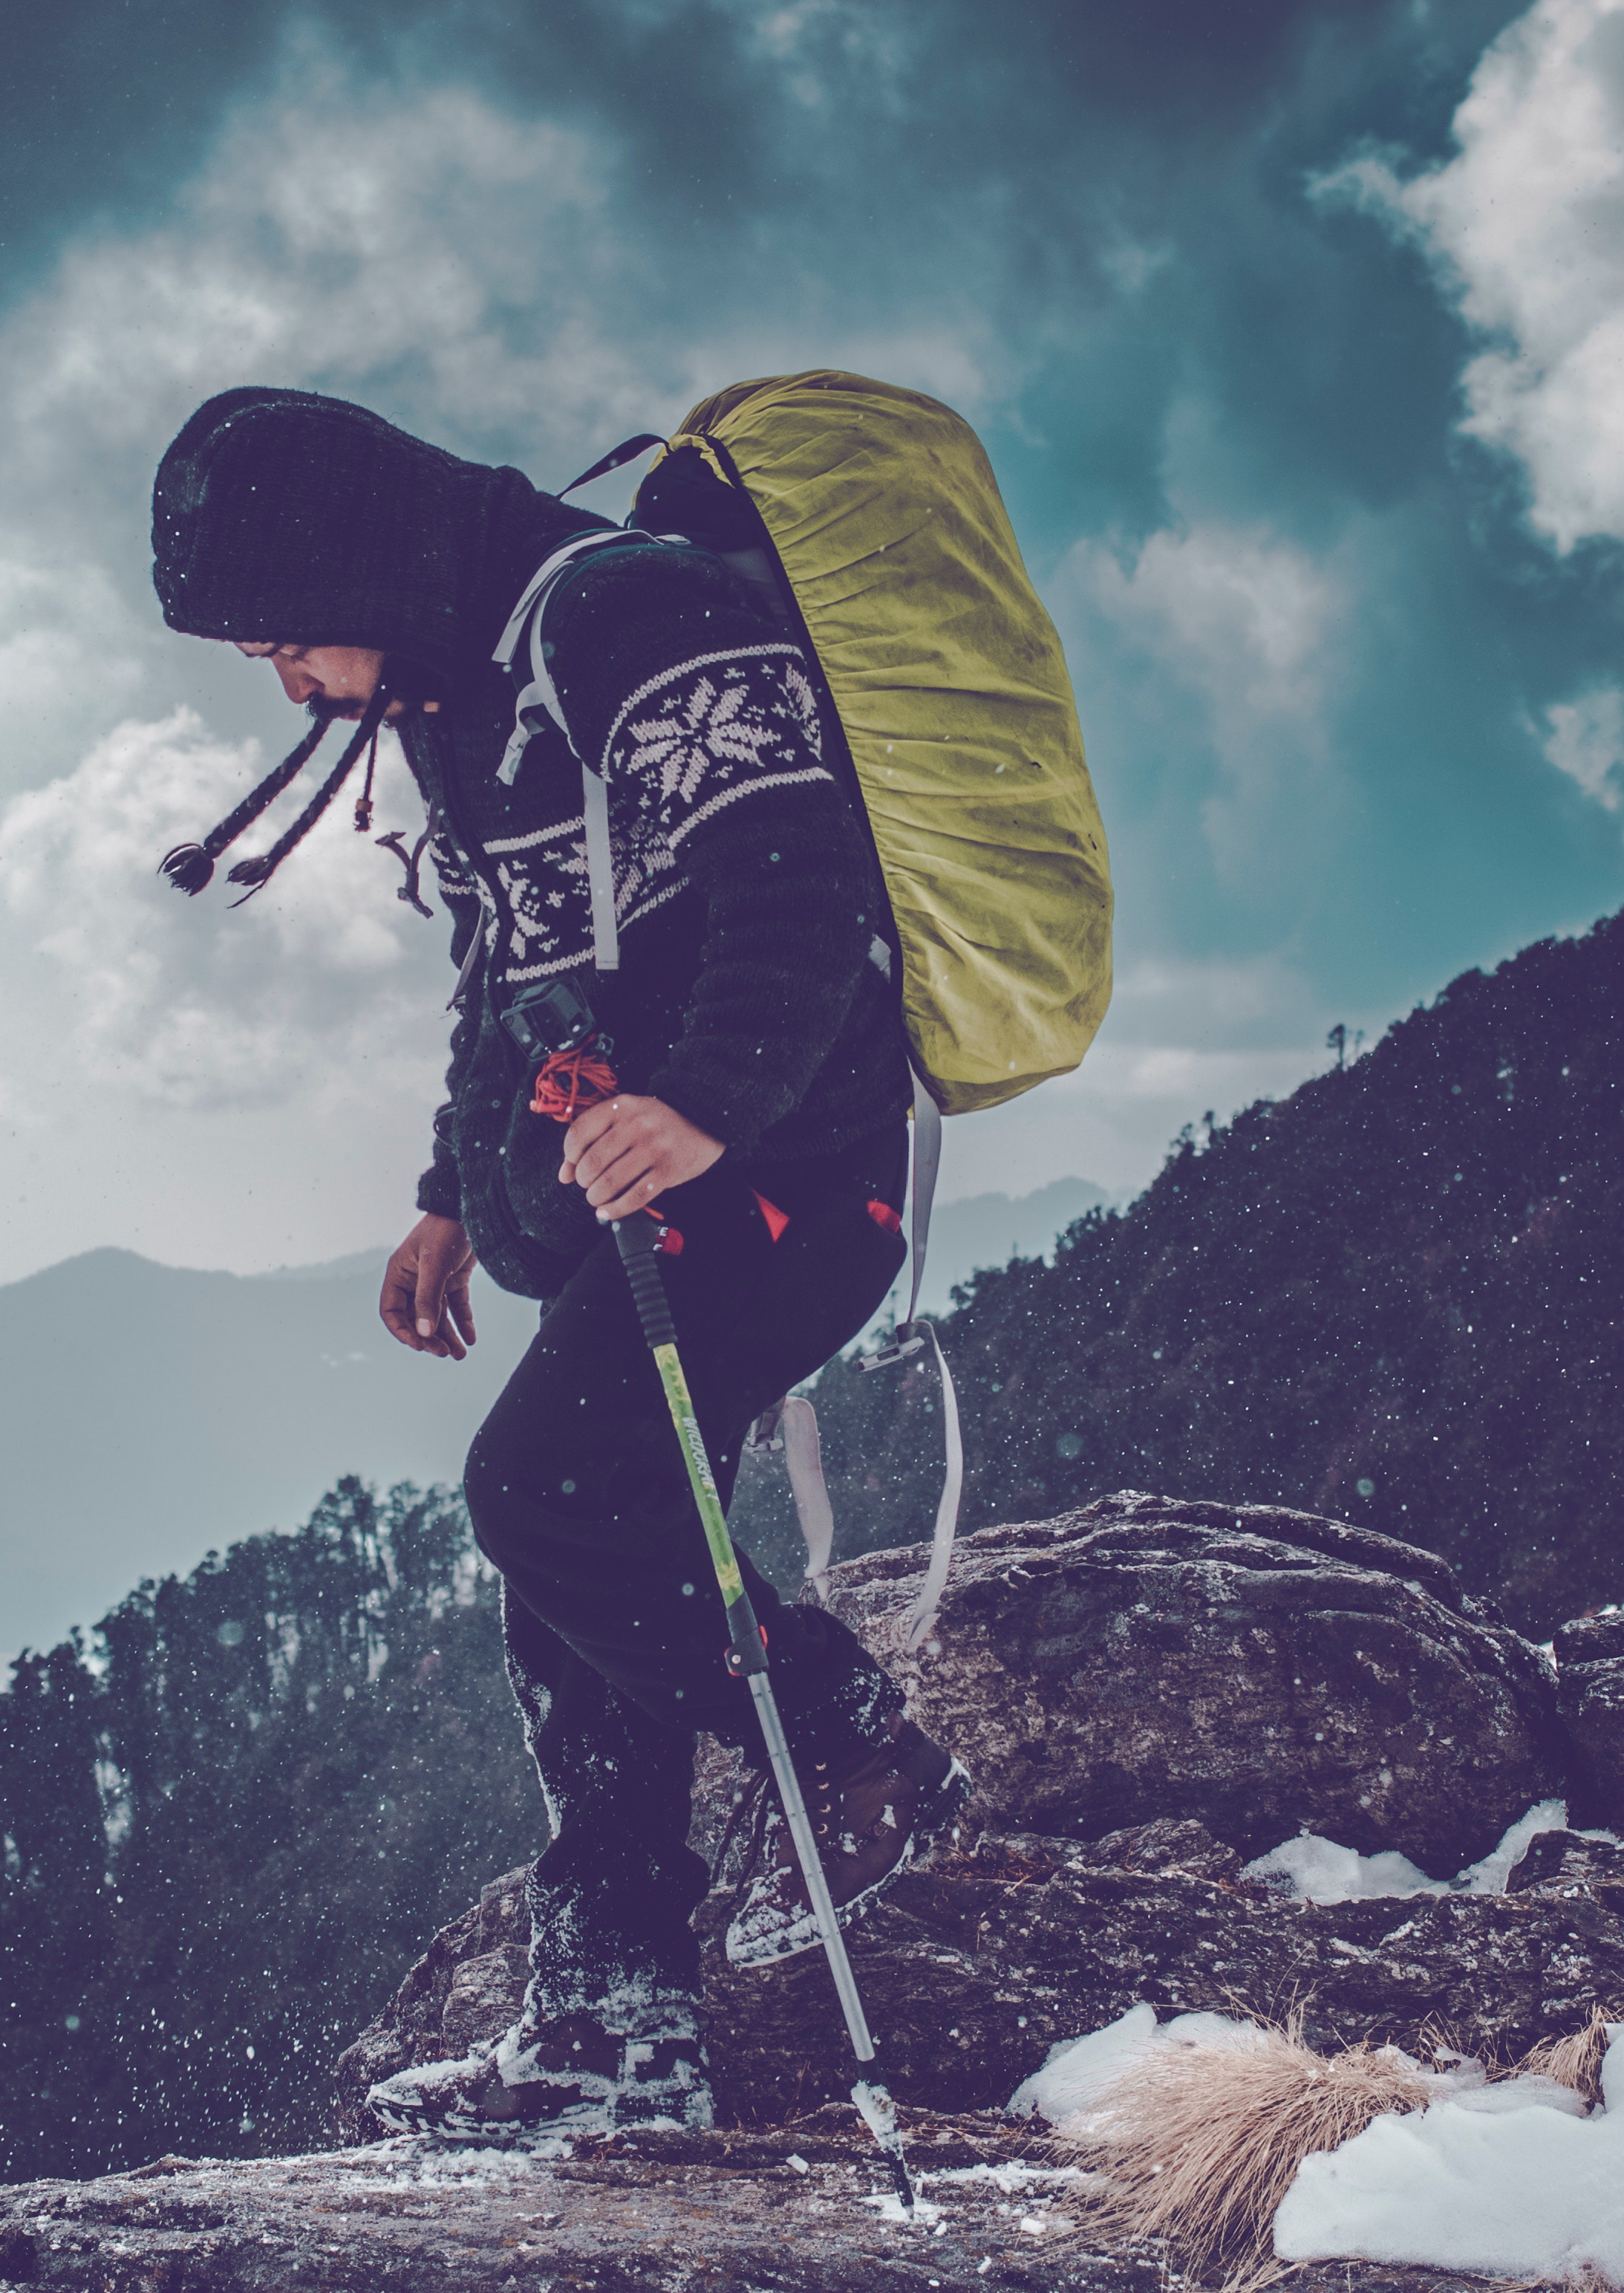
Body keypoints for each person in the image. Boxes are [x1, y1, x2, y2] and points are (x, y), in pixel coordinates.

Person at [146, 387, 969, 2138]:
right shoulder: (460, 682)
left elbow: (795, 883)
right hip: (646, 1185)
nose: (288, 682)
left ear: (357, 560)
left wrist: (703, 1103)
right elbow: (504, 967)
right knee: (579, 1599)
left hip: (791, 1177)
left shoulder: (628, 614)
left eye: (289, 639)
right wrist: (450, 1190)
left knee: (549, 1494)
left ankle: (856, 1739)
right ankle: (611, 2028)